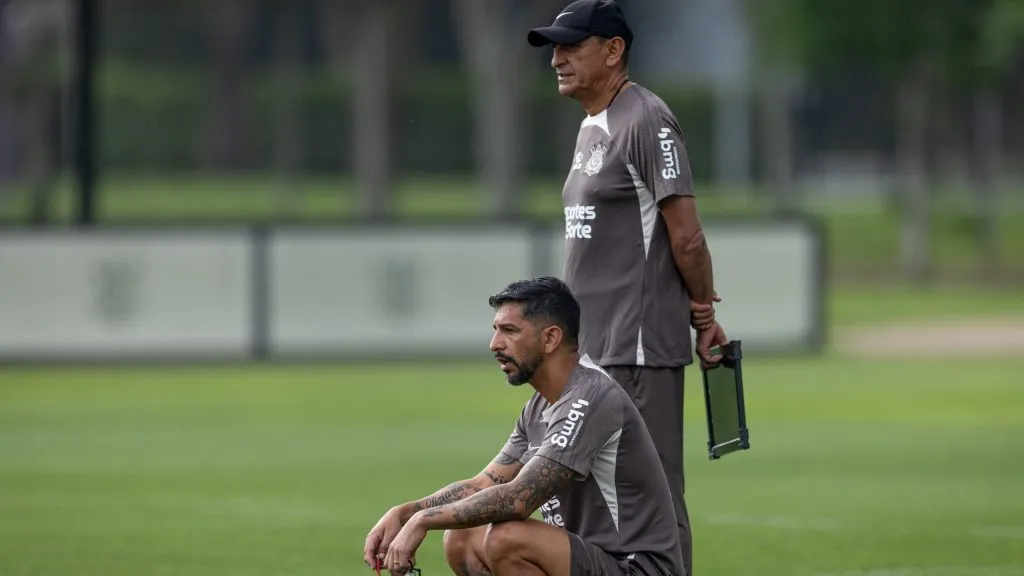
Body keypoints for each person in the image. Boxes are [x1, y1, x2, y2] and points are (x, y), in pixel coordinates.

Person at [526, 1, 730, 574]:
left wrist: (703, 313)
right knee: (585, 501)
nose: (557, 60)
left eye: (572, 46)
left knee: (654, 497)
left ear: (613, 51)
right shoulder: (592, 125)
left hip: (638, 351)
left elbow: (686, 238)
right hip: (592, 352)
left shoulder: (647, 119)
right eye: (554, 49)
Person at [363, 277, 684, 576]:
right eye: (496, 329)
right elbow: (482, 485)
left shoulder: (590, 397)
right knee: (463, 537)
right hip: (591, 559)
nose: (494, 343)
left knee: (508, 537)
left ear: (550, 338)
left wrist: (422, 521)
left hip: (635, 568)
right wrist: (404, 512)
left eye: (510, 331)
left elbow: (519, 498)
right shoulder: (540, 405)